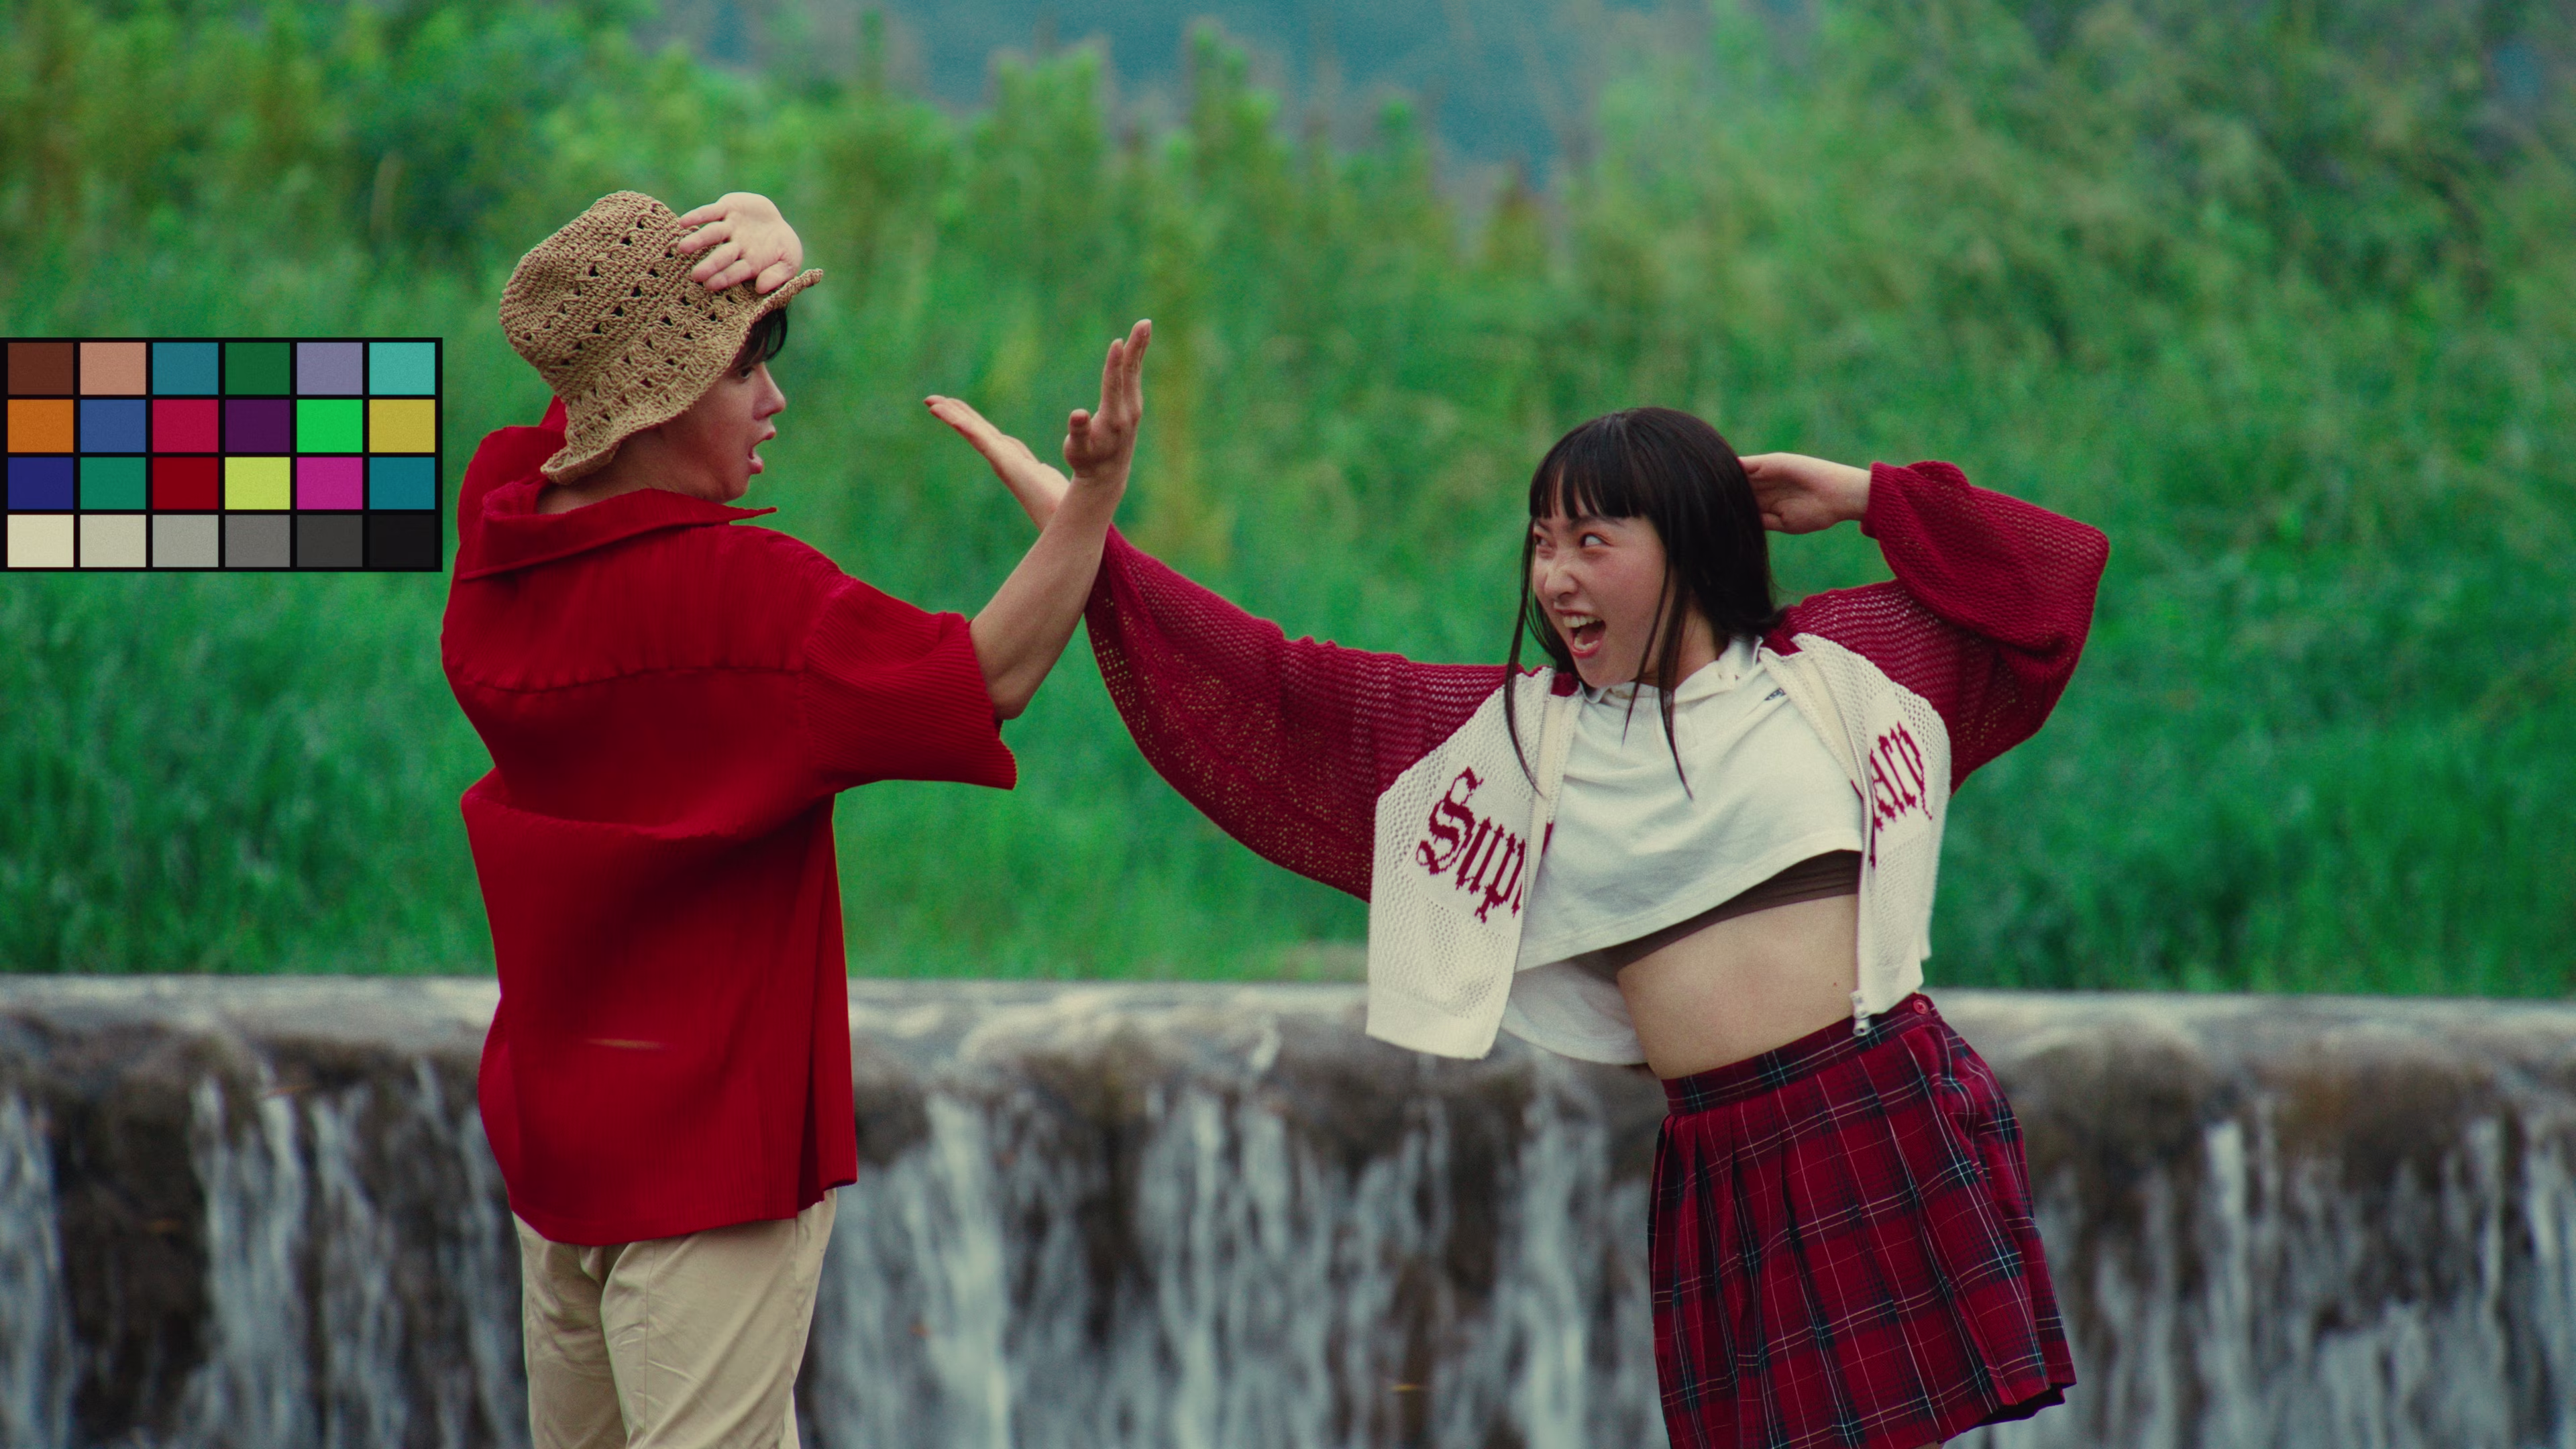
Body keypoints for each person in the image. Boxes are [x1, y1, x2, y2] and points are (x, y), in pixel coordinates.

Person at [929, 400, 2104, 1449]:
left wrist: (1861, 495)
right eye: (1543, 544)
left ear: (1691, 549)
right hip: (1723, 1159)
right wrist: (1087, 522)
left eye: (1594, 542)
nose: (1555, 577)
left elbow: (2049, 582)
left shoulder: (1838, 669)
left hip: (1882, 1113)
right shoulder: (1511, 745)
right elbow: (1279, 687)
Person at [443, 189, 1148, 1449]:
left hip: (561, 1163)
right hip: (713, 1175)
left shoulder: (498, 567)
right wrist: (1090, 498)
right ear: (662, 401)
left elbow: (564, 422)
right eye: (748, 366)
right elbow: (991, 678)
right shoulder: (753, 612)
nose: (776, 402)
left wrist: (728, 254)